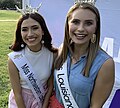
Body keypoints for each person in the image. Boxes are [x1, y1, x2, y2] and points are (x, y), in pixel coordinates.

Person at [49, 1, 115, 108]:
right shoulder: (62, 50)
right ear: (68, 24)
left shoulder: (105, 64)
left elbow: (96, 106)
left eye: (88, 23)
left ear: (96, 28)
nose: (80, 29)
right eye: (75, 22)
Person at [7, 6, 57, 108]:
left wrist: (44, 105)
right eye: (24, 30)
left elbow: (50, 85)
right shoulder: (14, 59)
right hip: (20, 102)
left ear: (43, 30)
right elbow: (17, 93)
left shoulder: (53, 54)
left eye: (35, 28)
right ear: (20, 33)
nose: (30, 34)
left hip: (42, 99)